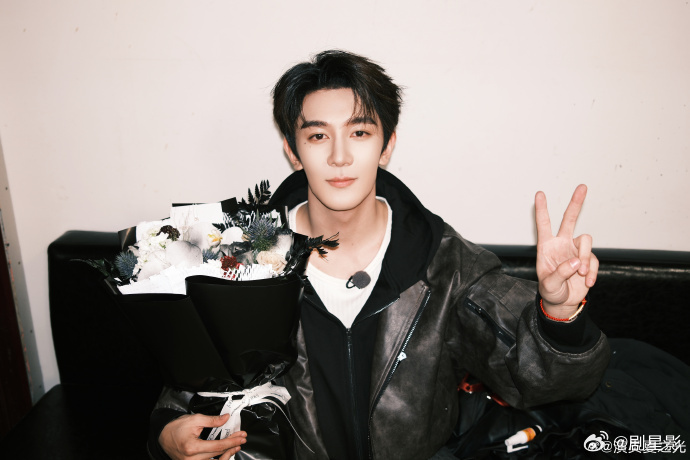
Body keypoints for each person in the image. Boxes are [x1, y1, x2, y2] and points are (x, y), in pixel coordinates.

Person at [149, 50, 610, 460]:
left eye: (360, 132)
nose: (340, 157)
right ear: (293, 151)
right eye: (318, 137)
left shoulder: (445, 263)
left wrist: (559, 313)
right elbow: (191, 376)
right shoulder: (240, 255)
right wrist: (166, 431)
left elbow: (543, 382)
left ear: (386, 145)